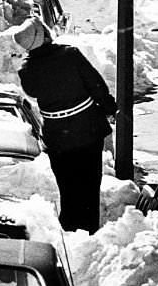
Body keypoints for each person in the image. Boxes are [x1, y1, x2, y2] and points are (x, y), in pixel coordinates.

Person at [12, 16, 116, 233]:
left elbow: (32, 92)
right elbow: (96, 85)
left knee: (68, 189)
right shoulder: (70, 55)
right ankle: (89, 232)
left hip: (58, 136)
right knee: (89, 185)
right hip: (87, 128)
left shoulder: (27, 70)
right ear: (44, 35)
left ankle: (70, 232)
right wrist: (109, 108)